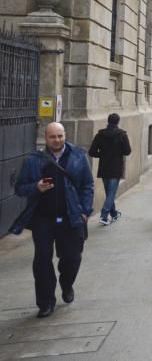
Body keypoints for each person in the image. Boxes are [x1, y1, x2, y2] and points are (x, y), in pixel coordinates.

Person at [8, 122, 94, 318]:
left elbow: (87, 185)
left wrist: (85, 211)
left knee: (72, 257)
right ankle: (45, 302)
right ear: (45, 138)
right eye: (53, 137)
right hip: (43, 219)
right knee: (42, 260)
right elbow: (20, 188)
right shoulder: (33, 160)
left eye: (60, 136)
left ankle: (66, 283)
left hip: (71, 216)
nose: (57, 140)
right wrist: (36, 187)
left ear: (65, 135)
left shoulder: (78, 156)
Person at [88, 112, 132, 225]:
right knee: (111, 192)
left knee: (109, 192)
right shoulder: (122, 134)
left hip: (104, 167)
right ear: (118, 121)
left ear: (108, 121)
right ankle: (104, 215)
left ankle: (114, 213)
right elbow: (127, 151)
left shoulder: (100, 134)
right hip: (116, 167)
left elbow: (92, 152)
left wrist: (102, 155)